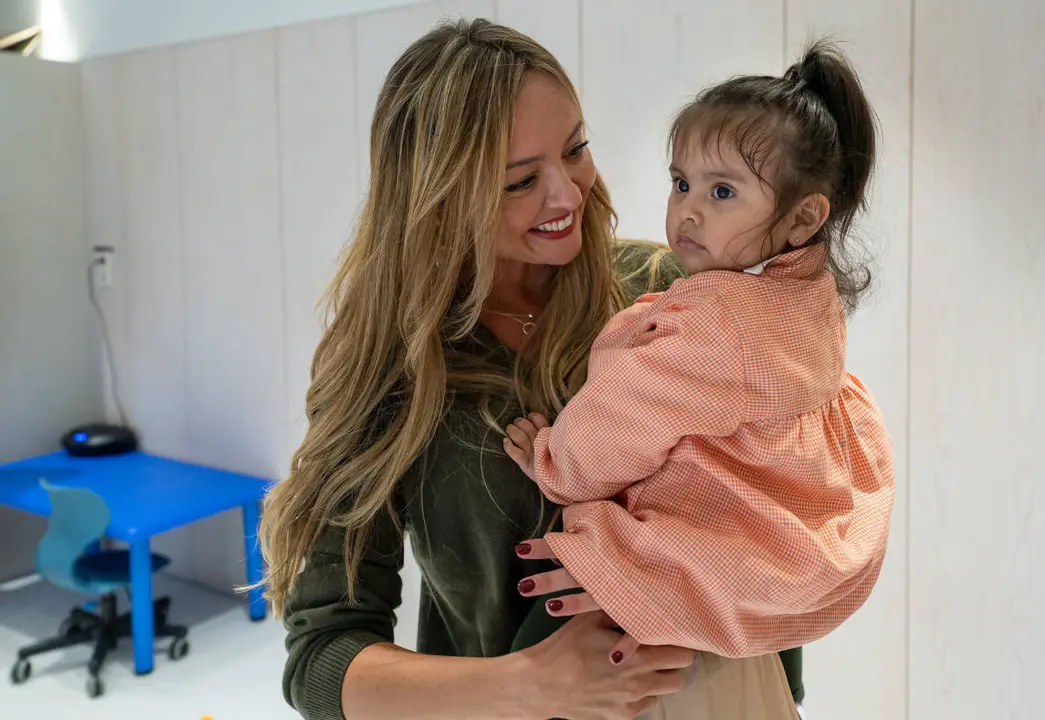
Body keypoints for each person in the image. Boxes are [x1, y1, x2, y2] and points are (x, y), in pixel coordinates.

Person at [259, 18, 805, 720]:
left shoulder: (669, 292)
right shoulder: (393, 368)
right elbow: (320, 662)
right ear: (437, 195)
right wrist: (531, 682)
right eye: (521, 180)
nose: (568, 195)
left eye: (575, 150)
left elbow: (779, 504)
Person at [501, 40, 894, 665]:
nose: (687, 210)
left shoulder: (712, 328)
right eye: (681, 183)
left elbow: (623, 419)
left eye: (722, 193)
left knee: (539, 638)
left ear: (802, 219)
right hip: (789, 539)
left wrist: (555, 462)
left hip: (717, 542)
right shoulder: (802, 290)